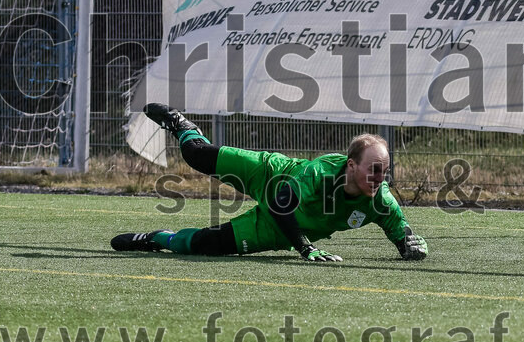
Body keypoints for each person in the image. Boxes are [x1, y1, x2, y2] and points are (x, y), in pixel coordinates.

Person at [111, 103, 428, 262]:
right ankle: (183, 126)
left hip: (279, 227)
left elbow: (403, 235)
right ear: (351, 165)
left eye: (384, 171)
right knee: (196, 155)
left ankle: (154, 238)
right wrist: (305, 248)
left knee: (203, 246)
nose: (379, 179)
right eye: (374, 170)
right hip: (272, 174)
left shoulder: (381, 200)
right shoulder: (319, 173)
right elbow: (280, 202)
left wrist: (412, 247)